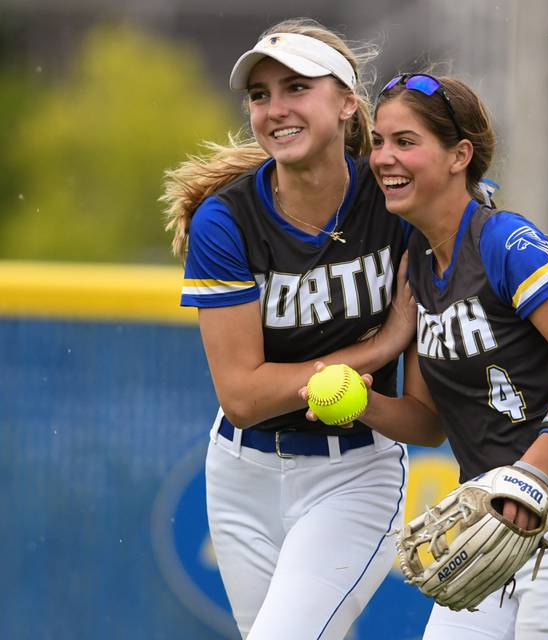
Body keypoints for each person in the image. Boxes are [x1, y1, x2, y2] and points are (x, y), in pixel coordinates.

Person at [353, 73, 548, 638]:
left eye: (405, 142)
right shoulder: (418, 258)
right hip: (487, 517)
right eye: (379, 142)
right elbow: (427, 422)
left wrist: (527, 475)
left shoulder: (504, 241)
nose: (385, 157)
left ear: (461, 155)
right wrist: (360, 403)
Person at [161, 19, 416, 640]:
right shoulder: (228, 221)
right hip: (240, 476)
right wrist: (380, 347)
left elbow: (474, 199)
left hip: (355, 472)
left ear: (347, 103)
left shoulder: (396, 201)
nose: (275, 108)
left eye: (297, 87)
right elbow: (243, 397)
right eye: (259, 94)